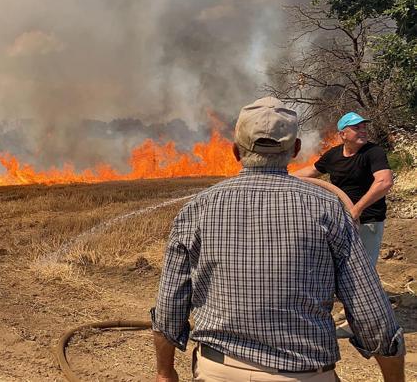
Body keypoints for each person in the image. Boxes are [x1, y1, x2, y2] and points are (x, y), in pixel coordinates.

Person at [151, 97, 404, 382]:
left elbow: (170, 305)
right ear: (295, 149)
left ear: (236, 151)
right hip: (305, 373)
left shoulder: (197, 208)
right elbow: (371, 314)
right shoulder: (329, 209)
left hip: (218, 371)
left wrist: (164, 372)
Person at [292, 112, 394, 268]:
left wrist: (356, 210)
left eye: (364, 127)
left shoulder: (373, 152)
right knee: (337, 265)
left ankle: (367, 292)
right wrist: (280, 176)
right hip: (339, 219)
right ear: (343, 134)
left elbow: (384, 182)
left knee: (362, 268)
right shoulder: (334, 155)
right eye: (356, 128)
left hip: (367, 221)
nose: (363, 131)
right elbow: (311, 172)